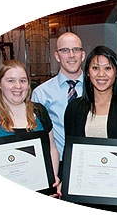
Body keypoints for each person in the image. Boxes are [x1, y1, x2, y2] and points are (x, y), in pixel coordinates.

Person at [64, 46, 117, 215]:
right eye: (95, 68)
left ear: (116, 72)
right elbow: (70, 153)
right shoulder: (75, 108)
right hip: (86, 195)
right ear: (87, 72)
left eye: (107, 68)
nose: (101, 74)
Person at [0, 60, 60, 195]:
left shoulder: (39, 111)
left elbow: (52, 148)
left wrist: (52, 178)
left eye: (22, 81)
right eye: (11, 81)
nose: (18, 86)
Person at [31, 32, 85, 171]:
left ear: (82, 55)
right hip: (58, 165)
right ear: (57, 56)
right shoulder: (41, 93)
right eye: (65, 50)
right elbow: (36, 136)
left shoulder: (98, 89)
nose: (71, 55)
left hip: (90, 162)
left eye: (76, 50)